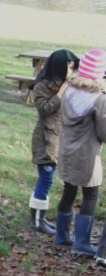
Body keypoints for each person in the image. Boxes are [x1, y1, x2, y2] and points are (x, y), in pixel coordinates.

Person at [54, 48, 106, 256]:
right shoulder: (99, 99)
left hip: (67, 149)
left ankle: (62, 235)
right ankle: (82, 242)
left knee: (69, 190)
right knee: (91, 194)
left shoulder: (68, 91)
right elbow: (104, 133)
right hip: (86, 155)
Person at [28, 48, 78, 233]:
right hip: (45, 140)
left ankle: (40, 217)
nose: (71, 72)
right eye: (69, 67)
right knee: (46, 178)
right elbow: (45, 109)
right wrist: (63, 89)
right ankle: (36, 220)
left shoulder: (64, 85)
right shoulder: (41, 85)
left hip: (58, 140)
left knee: (48, 178)